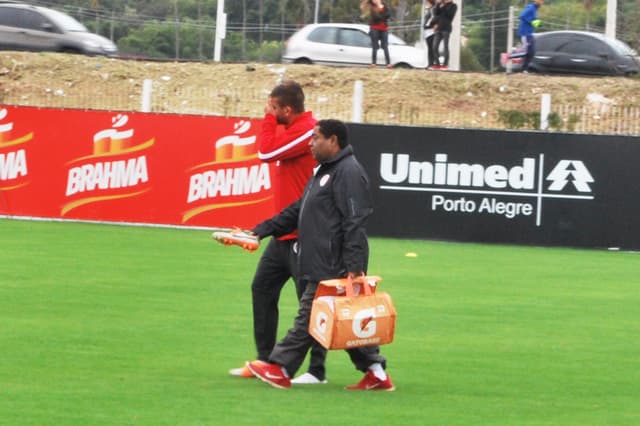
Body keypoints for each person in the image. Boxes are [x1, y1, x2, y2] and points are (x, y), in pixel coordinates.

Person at [245, 119, 395, 391]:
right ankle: (376, 373)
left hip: (333, 263)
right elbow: (296, 211)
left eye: (315, 138)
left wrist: (354, 267)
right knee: (345, 320)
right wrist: (260, 230)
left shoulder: (348, 172)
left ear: (333, 141)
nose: (310, 143)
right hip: (321, 261)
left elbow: (354, 221)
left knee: (311, 317)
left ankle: (280, 368)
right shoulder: (325, 172)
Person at [228, 80, 329, 385]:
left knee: (311, 305)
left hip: (305, 234)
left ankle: (316, 371)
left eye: (272, 108)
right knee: (262, 288)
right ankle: (265, 360)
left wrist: (268, 121)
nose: (267, 112)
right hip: (284, 233)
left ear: (287, 109)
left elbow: (265, 152)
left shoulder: (306, 129)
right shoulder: (292, 129)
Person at [361, 0, 392, 69]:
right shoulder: (372, 8)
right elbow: (376, 17)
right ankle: (373, 63)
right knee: (375, 47)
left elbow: (389, 15)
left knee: (385, 46)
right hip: (374, 28)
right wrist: (384, 16)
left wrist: (383, 16)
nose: (375, 0)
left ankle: (388, 64)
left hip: (384, 29)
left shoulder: (385, 5)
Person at [518, 0, 544, 73]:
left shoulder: (534, 9)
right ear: (536, 1)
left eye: (543, 1)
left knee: (530, 52)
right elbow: (522, 16)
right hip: (524, 33)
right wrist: (532, 21)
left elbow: (533, 20)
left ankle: (524, 69)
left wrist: (537, 23)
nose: (542, 3)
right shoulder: (531, 8)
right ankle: (523, 69)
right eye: (541, 1)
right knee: (529, 52)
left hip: (529, 33)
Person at [432, 0, 457, 70]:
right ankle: (437, 64)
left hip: (446, 28)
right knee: (434, 46)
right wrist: (437, 5)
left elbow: (450, 16)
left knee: (445, 47)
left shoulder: (453, 6)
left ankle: (445, 64)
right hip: (439, 28)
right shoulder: (441, 4)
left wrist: (443, 7)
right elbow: (436, 13)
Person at [423, 0, 438, 69]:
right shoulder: (428, 9)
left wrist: (429, 25)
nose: (426, 3)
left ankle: (433, 64)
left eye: (427, 2)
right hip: (427, 31)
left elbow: (433, 18)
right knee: (429, 48)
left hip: (431, 30)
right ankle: (430, 64)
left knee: (432, 48)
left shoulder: (433, 9)